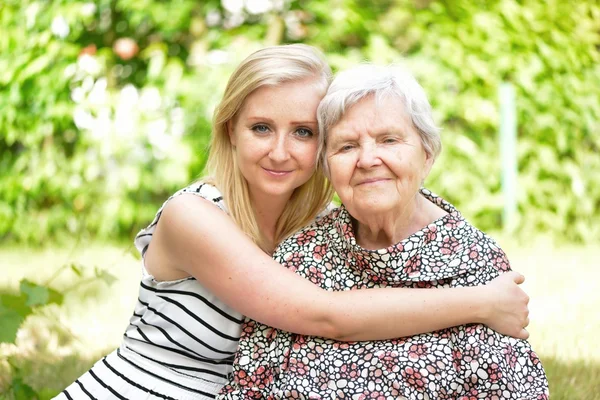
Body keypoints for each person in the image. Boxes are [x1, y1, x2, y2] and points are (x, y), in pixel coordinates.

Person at [56, 46, 532, 400]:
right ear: (230, 131)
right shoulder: (194, 216)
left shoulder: (319, 230)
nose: (280, 151)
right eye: (261, 127)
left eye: (303, 132)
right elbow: (328, 317)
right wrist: (480, 301)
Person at [219, 64, 549, 399]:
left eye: (388, 140)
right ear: (327, 167)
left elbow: (509, 389)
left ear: (427, 154)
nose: (367, 159)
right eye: (346, 146)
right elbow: (252, 386)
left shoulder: (475, 263)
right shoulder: (300, 255)